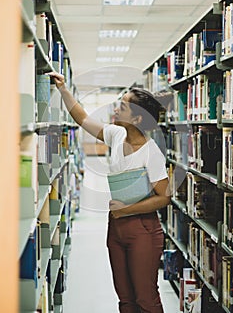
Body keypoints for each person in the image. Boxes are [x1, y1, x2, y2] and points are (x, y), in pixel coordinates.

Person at [48, 71, 171, 313]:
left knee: (145, 299)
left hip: (143, 229)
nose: (115, 109)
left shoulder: (151, 152)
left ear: (136, 119)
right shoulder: (117, 134)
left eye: (122, 107)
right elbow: (82, 118)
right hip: (116, 225)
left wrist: (127, 210)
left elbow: (164, 197)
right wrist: (63, 89)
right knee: (125, 299)